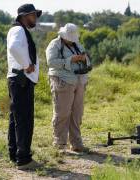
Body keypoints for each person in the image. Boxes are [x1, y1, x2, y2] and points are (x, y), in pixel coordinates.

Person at [46, 23, 91, 154]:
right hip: (63, 81)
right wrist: (70, 60)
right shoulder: (54, 44)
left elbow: (87, 61)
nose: (71, 40)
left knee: (77, 113)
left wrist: (83, 59)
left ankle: (76, 143)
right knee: (63, 112)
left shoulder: (77, 44)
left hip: (80, 81)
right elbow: (51, 62)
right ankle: (59, 143)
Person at [7, 4, 41, 170]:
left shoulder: (18, 30)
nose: (35, 18)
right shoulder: (19, 30)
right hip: (21, 79)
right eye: (33, 15)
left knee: (17, 119)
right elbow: (14, 48)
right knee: (24, 120)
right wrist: (27, 64)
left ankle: (15, 154)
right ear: (24, 16)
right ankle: (24, 160)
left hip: (17, 79)